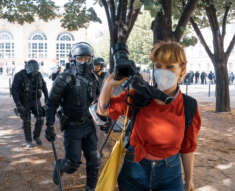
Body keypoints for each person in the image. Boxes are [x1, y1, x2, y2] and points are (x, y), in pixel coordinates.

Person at [97, 41, 201, 191]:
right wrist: (108, 85)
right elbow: (103, 111)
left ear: (182, 69)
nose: (162, 71)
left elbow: (188, 147)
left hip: (170, 176)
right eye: (158, 66)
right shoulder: (138, 96)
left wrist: (189, 179)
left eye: (170, 66)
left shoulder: (189, 106)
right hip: (134, 173)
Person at [44, 42, 100, 191]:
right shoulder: (64, 78)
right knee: (72, 164)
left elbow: (99, 101)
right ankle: (59, 167)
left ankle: (90, 188)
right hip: (72, 126)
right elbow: (51, 103)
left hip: (89, 125)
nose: (84, 62)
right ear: (73, 59)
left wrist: (105, 118)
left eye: (87, 58)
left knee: (94, 158)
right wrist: (49, 126)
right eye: (81, 58)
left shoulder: (93, 78)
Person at [11, 60, 48, 148]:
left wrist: (47, 101)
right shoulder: (19, 75)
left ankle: (36, 136)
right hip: (24, 102)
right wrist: (18, 104)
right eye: (32, 72)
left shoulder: (38, 74)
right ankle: (28, 140)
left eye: (35, 72)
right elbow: (14, 90)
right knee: (26, 121)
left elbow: (44, 87)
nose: (33, 74)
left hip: (36, 100)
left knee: (40, 119)